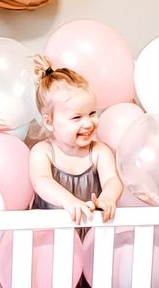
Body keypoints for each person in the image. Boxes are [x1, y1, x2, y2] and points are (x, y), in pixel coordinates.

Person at [29, 56, 123, 225]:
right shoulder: (43, 151)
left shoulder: (98, 151)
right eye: (77, 117)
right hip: (51, 234)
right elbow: (42, 181)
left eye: (92, 113)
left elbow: (112, 179)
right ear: (49, 122)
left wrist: (108, 198)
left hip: (90, 231)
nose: (88, 123)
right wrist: (68, 201)